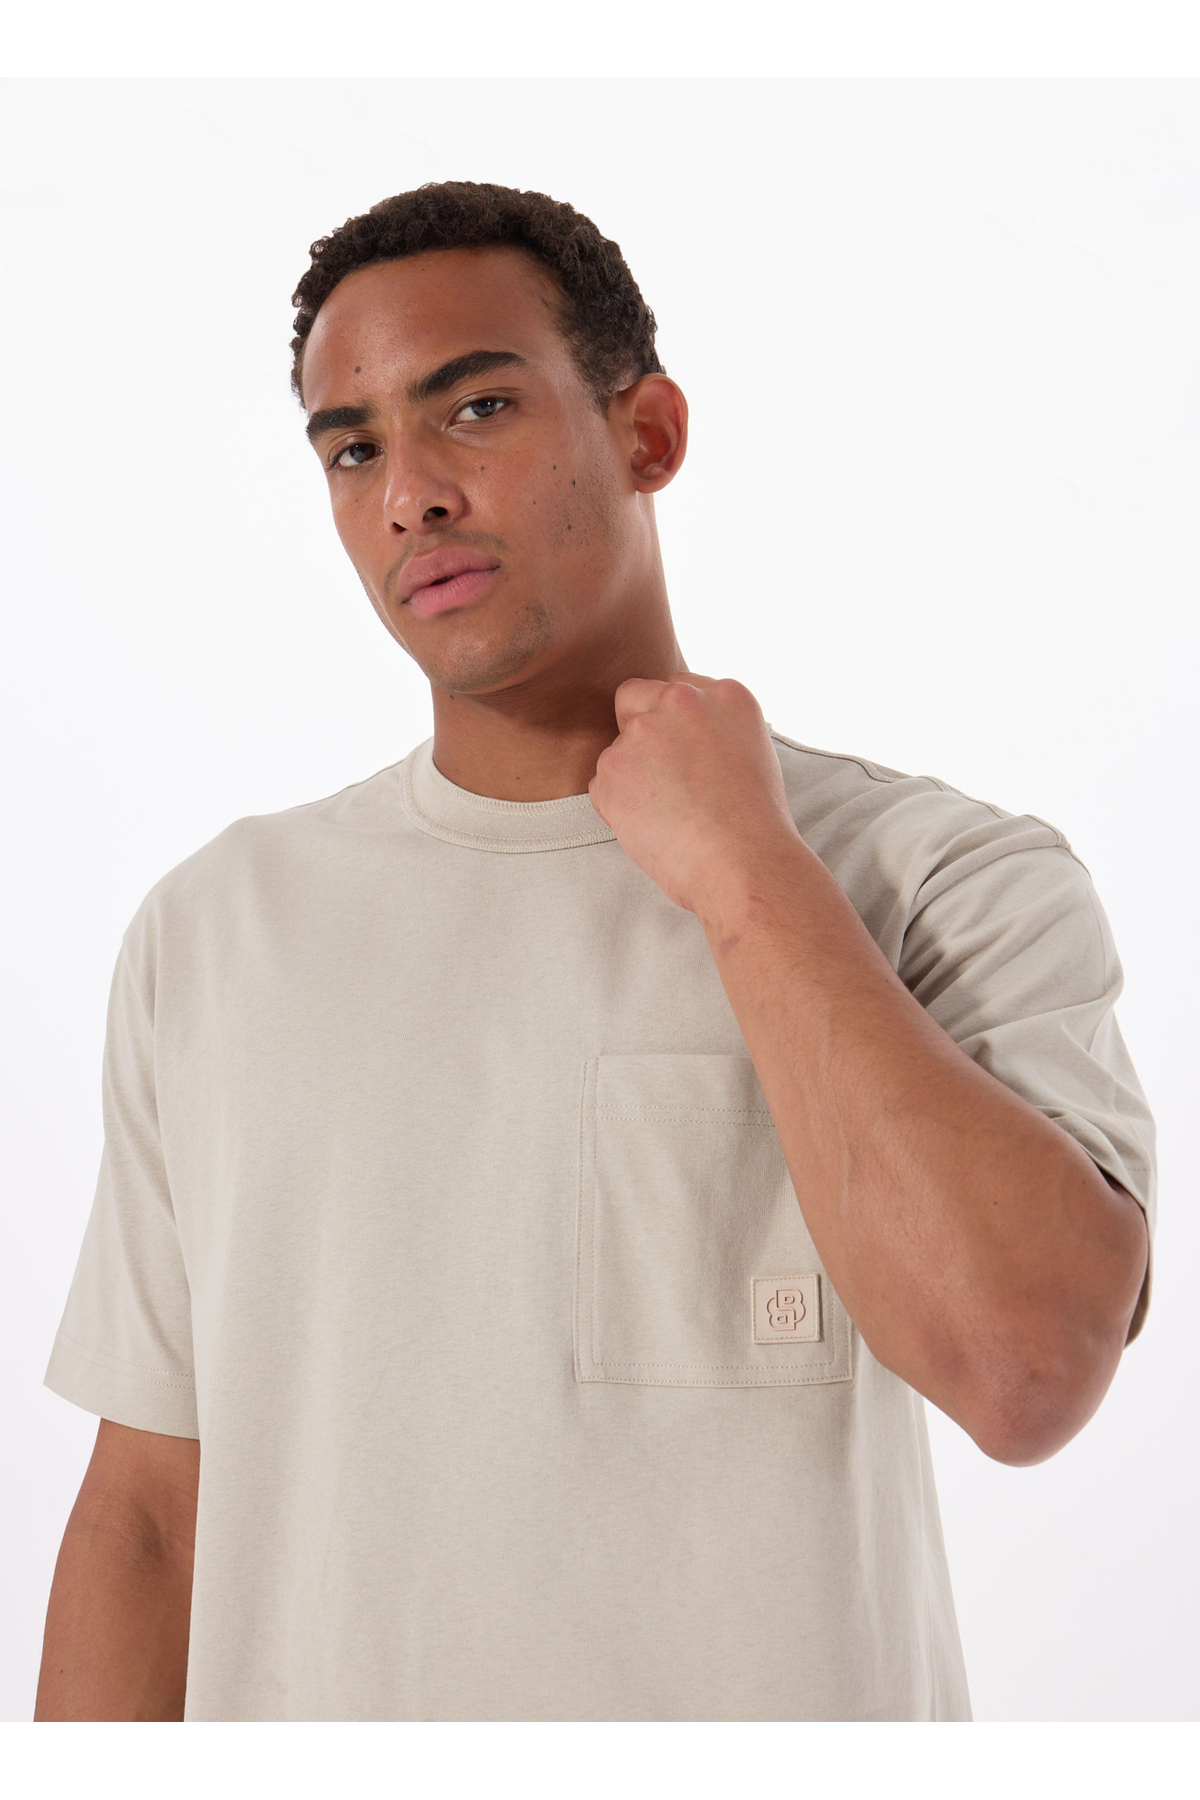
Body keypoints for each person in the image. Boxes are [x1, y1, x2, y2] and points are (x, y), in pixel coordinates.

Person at [35, 181, 1154, 1723]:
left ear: (649, 435)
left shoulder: (941, 879)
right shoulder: (216, 931)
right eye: (353, 448)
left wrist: (749, 877)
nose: (410, 494)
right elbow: (152, 1521)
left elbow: (1025, 1369)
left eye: (475, 408)